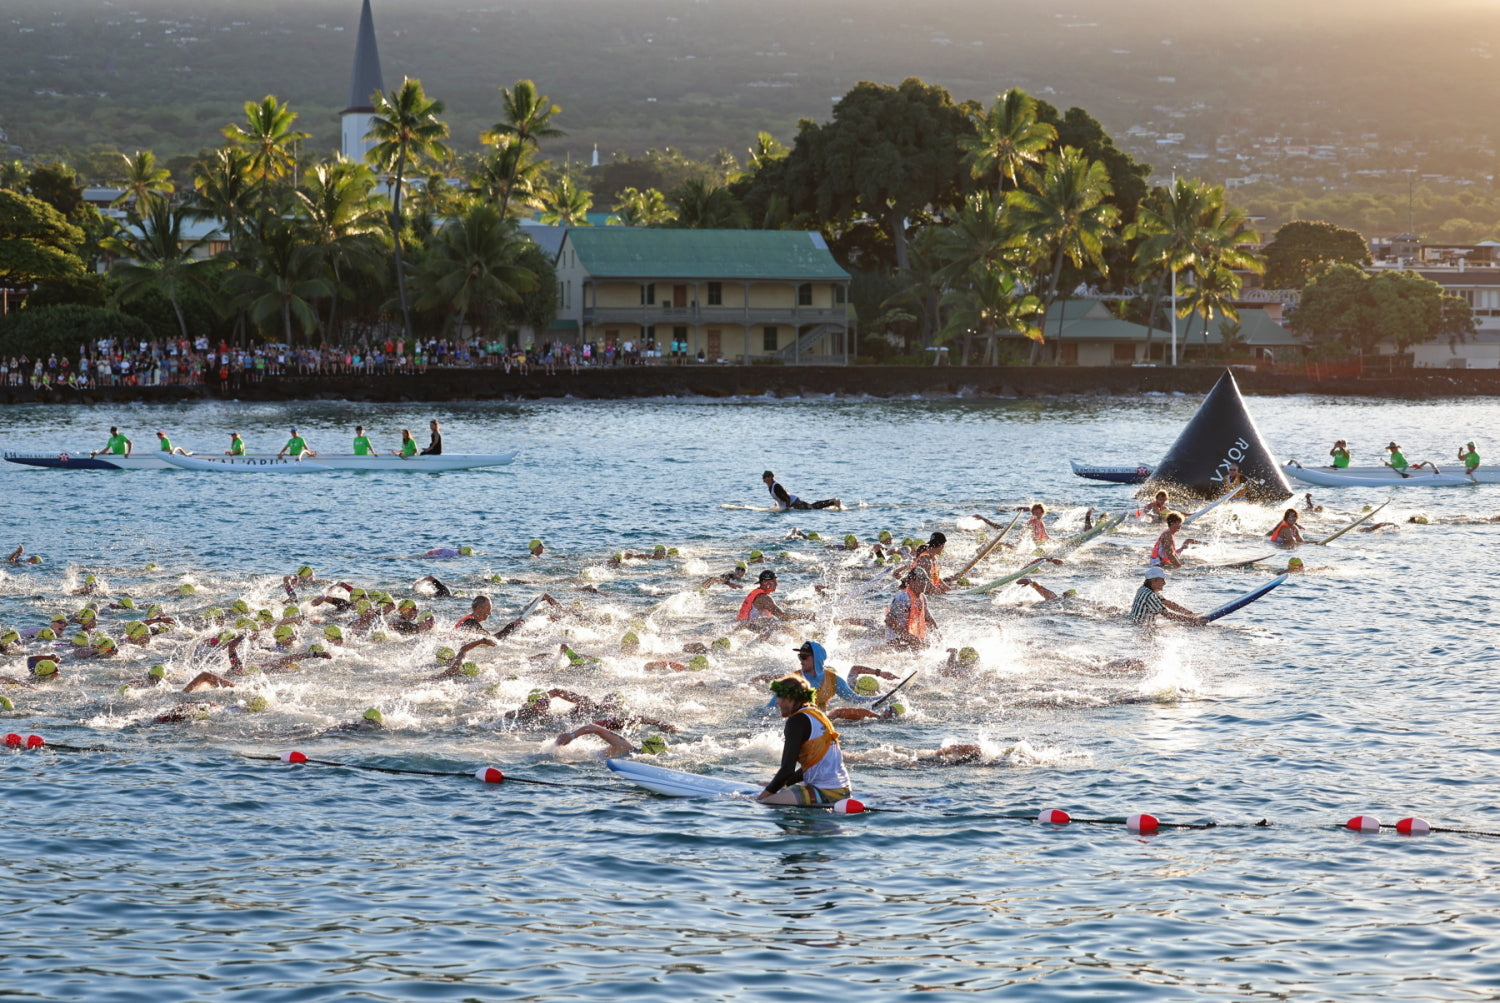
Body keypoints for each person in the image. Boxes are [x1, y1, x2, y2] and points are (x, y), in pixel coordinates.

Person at [757, 675, 852, 806]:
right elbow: (813, 765)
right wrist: (782, 785)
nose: (777, 702)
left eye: (779, 696)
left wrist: (763, 796)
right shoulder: (817, 714)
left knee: (764, 803)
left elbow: (787, 769)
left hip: (825, 792)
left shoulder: (796, 721)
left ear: (791, 698)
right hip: (844, 790)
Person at [1129, 568, 1203, 628]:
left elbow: (1168, 603)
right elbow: (1167, 615)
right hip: (1141, 628)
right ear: (1153, 581)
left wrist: (1189, 613)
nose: (1165, 583)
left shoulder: (1143, 589)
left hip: (1136, 625)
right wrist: (1193, 621)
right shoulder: (1150, 595)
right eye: (1162, 580)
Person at [734, 570, 806, 630]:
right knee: (780, 626)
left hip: (742, 625)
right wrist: (803, 616)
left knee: (773, 622)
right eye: (774, 582)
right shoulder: (764, 598)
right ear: (765, 583)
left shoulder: (757, 593)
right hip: (749, 627)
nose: (776, 584)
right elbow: (783, 616)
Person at [885, 569, 936, 649]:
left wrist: (938, 635)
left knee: (930, 646)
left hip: (910, 639)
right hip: (896, 640)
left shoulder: (923, 598)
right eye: (921, 580)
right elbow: (889, 620)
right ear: (912, 581)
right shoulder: (902, 597)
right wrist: (908, 637)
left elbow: (928, 619)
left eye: (925, 580)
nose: (924, 583)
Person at [554, 722, 667, 757]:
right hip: (577, 756)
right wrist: (571, 736)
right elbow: (593, 727)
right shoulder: (625, 747)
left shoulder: (633, 754)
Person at [761, 470, 840, 511]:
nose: (763, 478)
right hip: (791, 504)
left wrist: (788, 509)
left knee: (812, 508)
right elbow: (779, 498)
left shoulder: (776, 486)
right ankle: (832, 501)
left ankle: (833, 502)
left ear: (770, 477)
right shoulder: (770, 487)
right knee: (812, 507)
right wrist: (776, 506)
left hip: (795, 502)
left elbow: (787, 498)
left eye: (765, 477)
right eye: (763, 477)